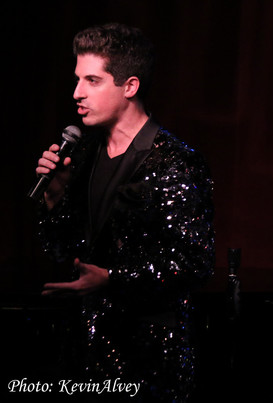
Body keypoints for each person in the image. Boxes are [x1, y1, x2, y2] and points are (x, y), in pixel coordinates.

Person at [34, 23, 215, 401]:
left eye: (92, 80)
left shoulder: (174, 162)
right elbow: (60, 250)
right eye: (77, 79)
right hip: (84, 351)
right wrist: (54, 197)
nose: (77, 93)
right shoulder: (83, 154)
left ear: (129, 86)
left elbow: (196, 263)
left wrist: (113, 278)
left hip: (147, 358)